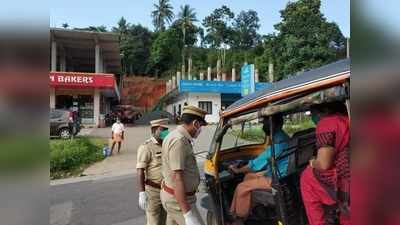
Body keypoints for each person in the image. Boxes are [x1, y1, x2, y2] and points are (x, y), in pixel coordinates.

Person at [228, 115, 289, 222]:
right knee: (248, 177)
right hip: (283, 174)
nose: (263, 126)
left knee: (241, 187)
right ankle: (250, 207)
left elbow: (254, 166)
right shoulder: (283, 138)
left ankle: (239, 218)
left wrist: (237, 170)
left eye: (265, 123)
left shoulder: (278, 144)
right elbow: (260, 162)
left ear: (273, 124)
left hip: (277, 179)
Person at [300, 102, 350, 225]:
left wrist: (312, 162)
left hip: (345, 179)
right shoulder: (347, 118)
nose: (312, 117)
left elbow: (323, 164)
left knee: (306, 178)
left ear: (325, 110)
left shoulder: (328, 123)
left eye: (313, 113)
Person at [160, 105, 207, 225]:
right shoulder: (179, 141)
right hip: (178, 201)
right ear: (195, 123)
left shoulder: (174, 136)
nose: (201, 130)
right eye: (201, 126)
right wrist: (187, 214)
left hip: (174, 197)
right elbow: (177, 178)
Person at [137, 118, 170, 225]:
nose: (165, 132)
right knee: (154, 222)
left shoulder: (166, 144)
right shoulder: (146, 147)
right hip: (153, 191)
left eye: (166, 129)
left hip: (166, 190)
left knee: (164, 221)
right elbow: (140, 171)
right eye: (162, 129)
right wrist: (142, 193)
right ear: (154, 130)